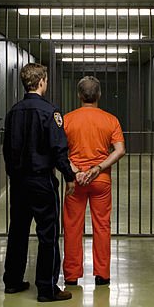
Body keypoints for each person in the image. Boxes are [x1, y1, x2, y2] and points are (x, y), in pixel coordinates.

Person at [2, 62, 77, 302]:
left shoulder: (14, 111)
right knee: (48, 233)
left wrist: (13, 173)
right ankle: (47, 288)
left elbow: (6, 148)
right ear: (42, 81)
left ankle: (12, 281)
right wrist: (69, 176)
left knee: (18, 230)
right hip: (41, 180)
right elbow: (58, 149)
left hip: (19, 181)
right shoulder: (50, 112)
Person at [62, 76, 126, 287]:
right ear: (99, 95)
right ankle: (102, 274)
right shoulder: (110, 119)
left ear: (79, 95)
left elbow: (59, 151)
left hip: (75, 181)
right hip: (101, 180)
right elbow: (120, 150)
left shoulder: (67, 119)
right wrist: (97, 167)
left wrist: (76, 171)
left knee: (72, 227)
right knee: (102, 226)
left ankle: (71, 276)